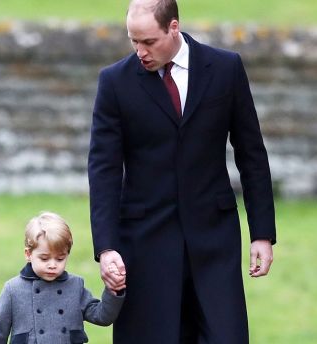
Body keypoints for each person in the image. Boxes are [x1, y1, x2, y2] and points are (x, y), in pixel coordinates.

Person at [87, 0, 277, 342]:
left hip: (214, 240)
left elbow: (251, 154)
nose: (140, 51)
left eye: (148, 42)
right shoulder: (114, 82)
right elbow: (104, 169)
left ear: (173, 27)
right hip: (144, 245)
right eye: (133, 41)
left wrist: (262, 233)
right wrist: (106, 247)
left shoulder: (225, 68)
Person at [0, 212, 125, 344]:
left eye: (60, 258)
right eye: (44, 258)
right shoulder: (13, 289)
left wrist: (113, 289)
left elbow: (102, 316)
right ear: (28, 254)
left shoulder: (75, 286)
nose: (52, 265)